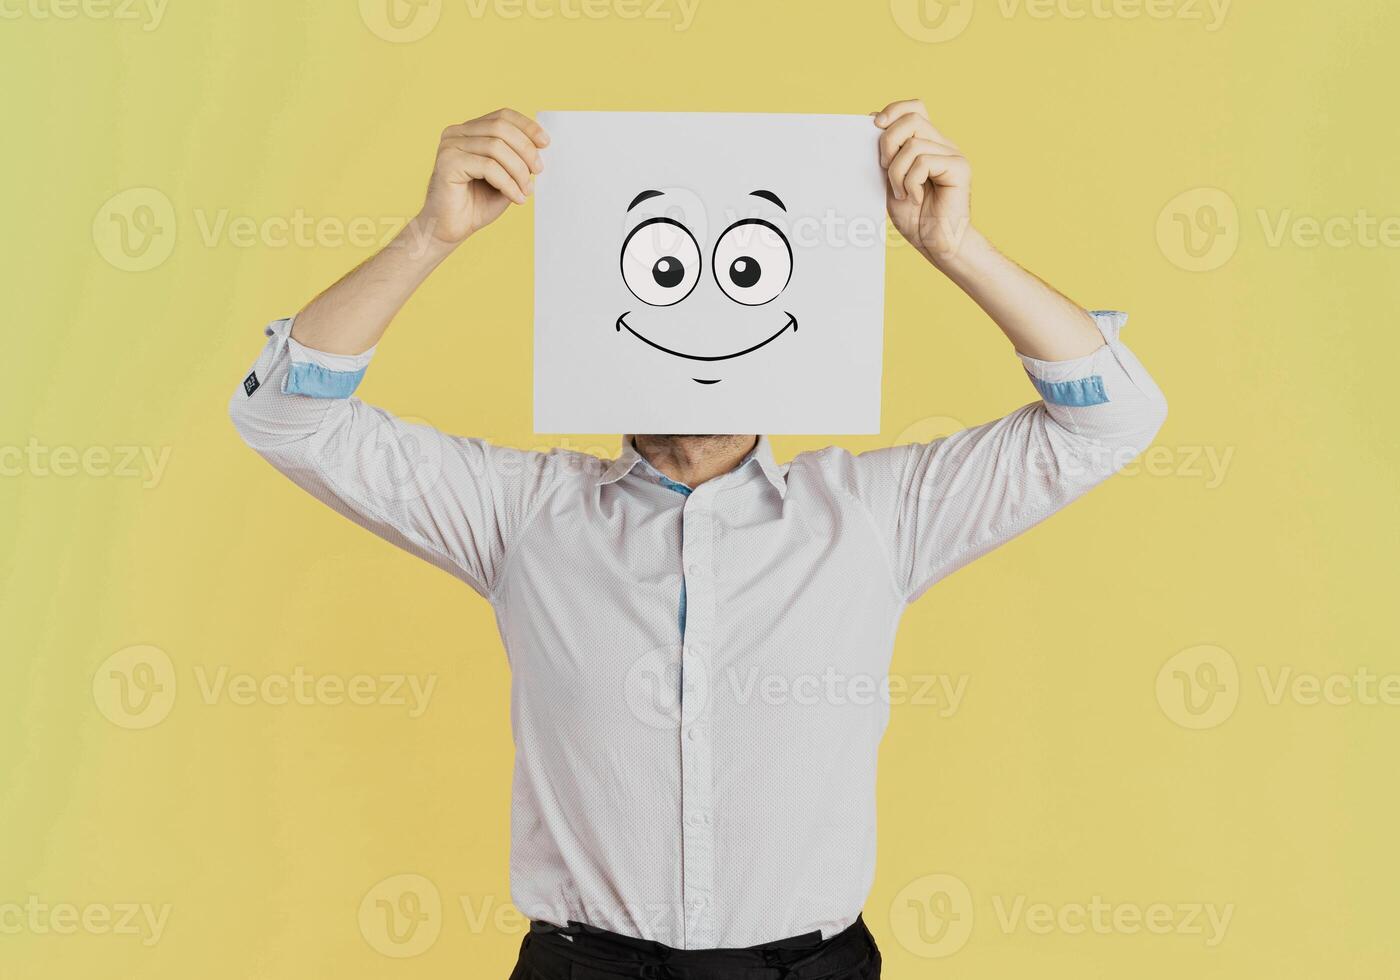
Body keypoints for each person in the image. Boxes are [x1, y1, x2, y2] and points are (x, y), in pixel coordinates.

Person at [229, 99, 1166, 979]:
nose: (704, 322)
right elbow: (287, 418)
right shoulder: (521, 515)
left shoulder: (877, 514)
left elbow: (1113, 416)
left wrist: (958, 248)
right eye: (668, 278)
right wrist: (429, 235)